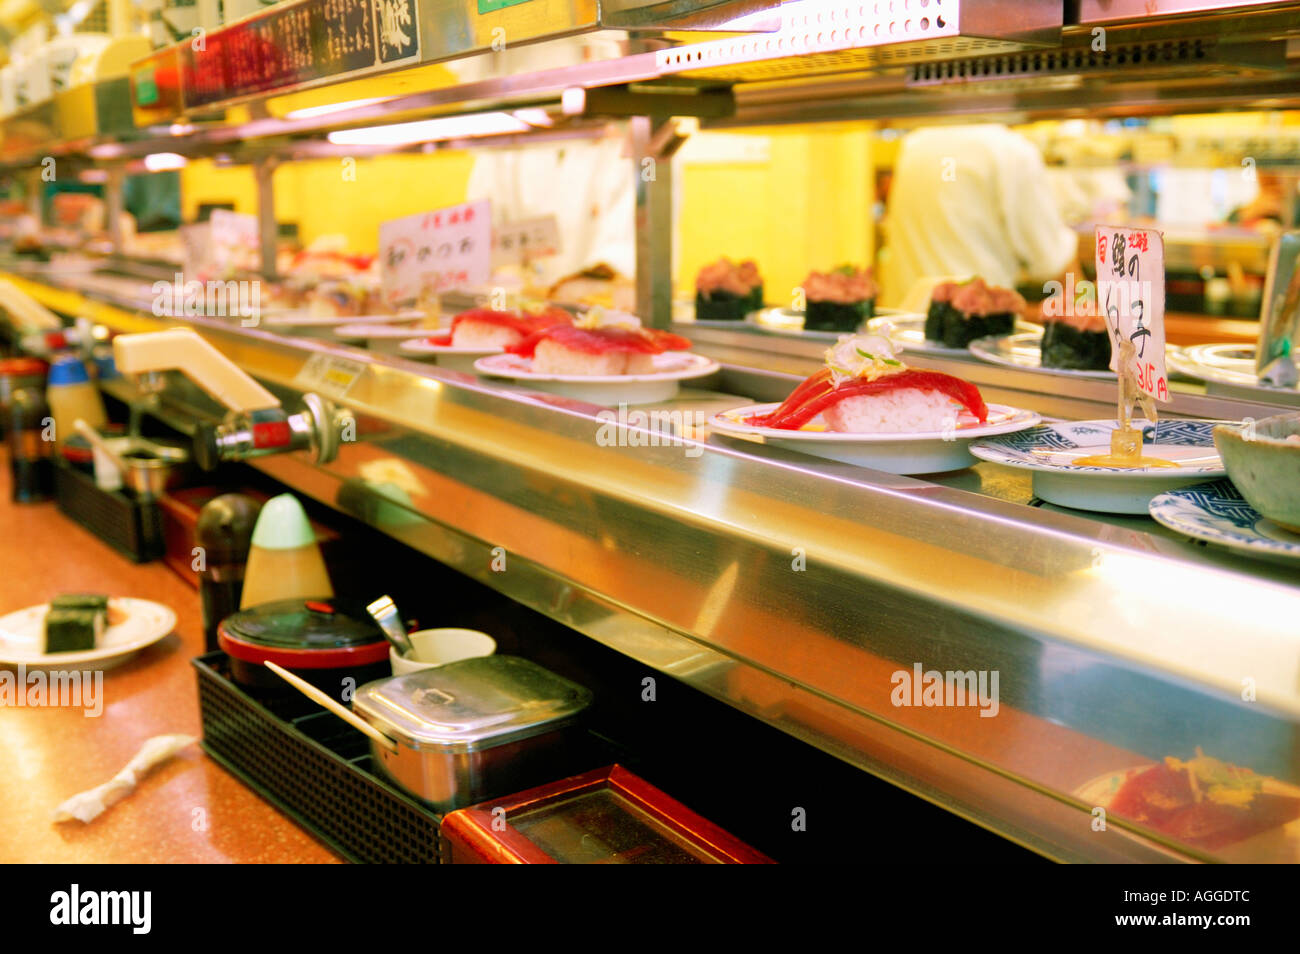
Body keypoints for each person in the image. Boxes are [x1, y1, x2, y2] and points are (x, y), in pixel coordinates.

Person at [880, 124, 1080, 309]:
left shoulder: (916, 144)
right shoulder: (1011, 151)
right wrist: (1088, 308)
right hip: (974, 326)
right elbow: (1052, 259)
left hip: (903, 323)